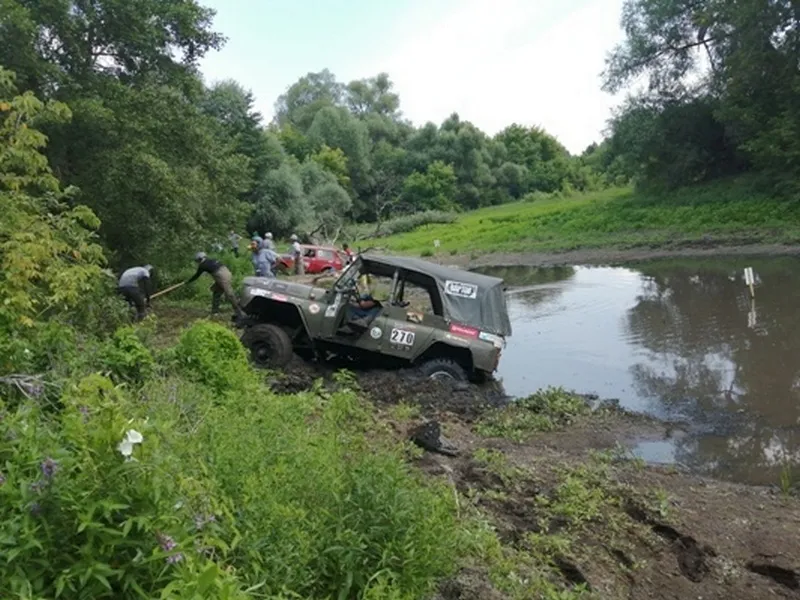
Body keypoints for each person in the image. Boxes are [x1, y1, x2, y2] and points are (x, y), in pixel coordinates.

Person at [186, 252, 244, 318]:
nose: (197, 262)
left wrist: (188, 281)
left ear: (199, 259)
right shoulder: (212, 260)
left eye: (197, 261)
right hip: (227, 273)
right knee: (216, 293)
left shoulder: (202, 265)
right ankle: (215, 312)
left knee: (229, 294)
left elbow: (196, 275)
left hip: (222, 277)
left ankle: (239, 311)